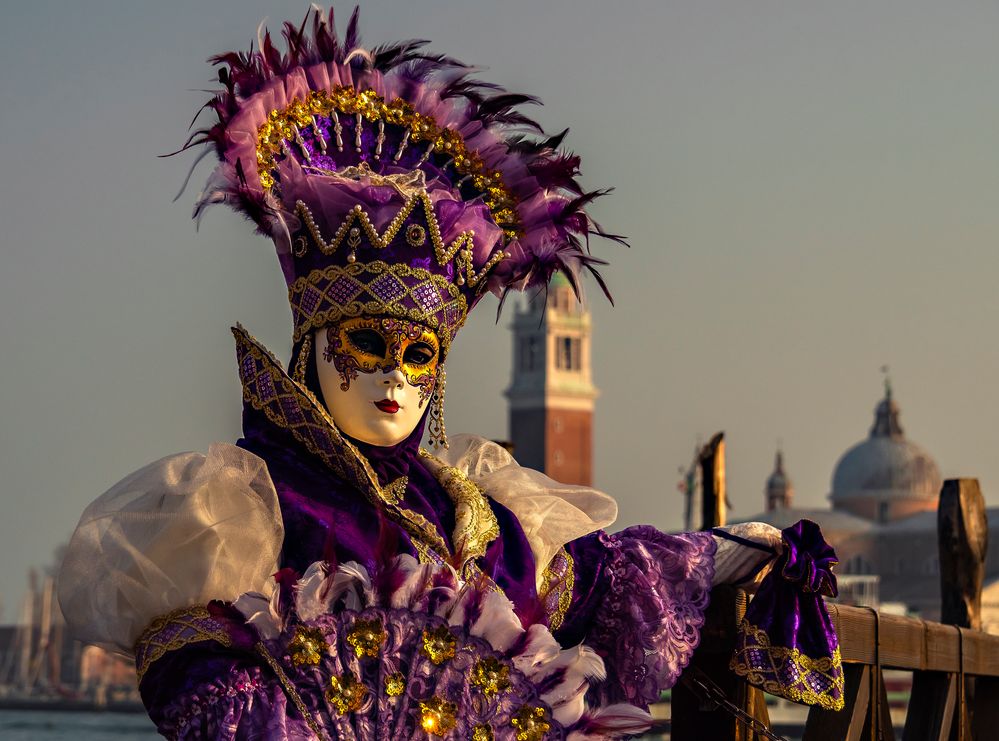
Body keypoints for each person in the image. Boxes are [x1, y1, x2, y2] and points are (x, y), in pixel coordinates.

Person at [59, 8, 843, 739]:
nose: (392, 378)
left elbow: (613, 574)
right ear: (311, 347)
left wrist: (741, 545)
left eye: (418, 354)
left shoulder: (475, 512)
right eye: (366, 344)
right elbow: (201, 695)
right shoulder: (245, 505)